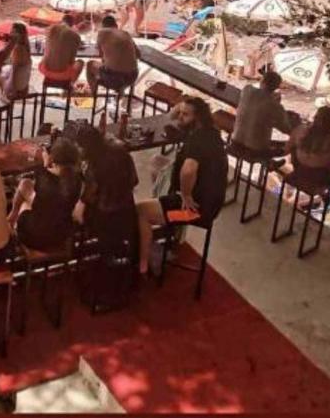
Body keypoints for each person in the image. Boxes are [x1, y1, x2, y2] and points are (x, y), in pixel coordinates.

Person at [136, 96, 228, 274]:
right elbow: (170, 118)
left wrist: (185, 195)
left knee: (140, 211)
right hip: (210, 202)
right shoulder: (210, 132)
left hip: (195, 211)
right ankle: (170, 232)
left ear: (197, 118)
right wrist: (181, 108)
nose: (180, 117)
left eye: (185, 115)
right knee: (157, 162)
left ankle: (143, 264)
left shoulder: (198, 140)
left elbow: (188, 170)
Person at [74, 126, 139, 260]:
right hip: (127, 211)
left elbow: (89, 196)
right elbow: (135, 181)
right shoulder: (121, 152)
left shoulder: (94, 167)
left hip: (104, 218)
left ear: (86, 148)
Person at [8, 138, 82, 251]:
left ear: (53, 158)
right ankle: (13, 219)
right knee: (27, 188)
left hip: (35, 237)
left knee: (24, 202)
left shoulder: (43, 175)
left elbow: (45, 189)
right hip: (60, 236)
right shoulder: (77, 180)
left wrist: (46, 162)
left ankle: (12, 220)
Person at [283, 106, 330, 211]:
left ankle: (322, 193)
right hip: (317, 181)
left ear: (315, 117)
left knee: (298, 152)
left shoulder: (299, 131)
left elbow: (287, 149)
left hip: (299, 173)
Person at [231, 70, 294, 155]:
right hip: (255, 150)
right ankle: (270, 164)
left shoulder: (247, 90)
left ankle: (270, 163)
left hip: (235, 142)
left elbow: (258, 96)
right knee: (291, 143)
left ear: (262, 81)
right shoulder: (275, 106)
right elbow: (286, 129)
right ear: (276, 87)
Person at [85, 14, 139, 100]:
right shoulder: (125, 33)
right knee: (115, 66)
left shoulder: (102, 32)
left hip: (114, 78)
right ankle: (121, 88)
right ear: (116, 25)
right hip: (132, 77)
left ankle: (93, 93)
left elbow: (101, 54)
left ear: (103, 25)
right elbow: (138, 54)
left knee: (90, 65)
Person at [38, 14, 84, 86]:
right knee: (81, 62)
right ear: (72, 24)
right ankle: (70, 85)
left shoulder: (50, 29)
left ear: (62, 20)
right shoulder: (75, 35)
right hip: (63, 74)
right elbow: (71, 60)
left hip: (45, 69)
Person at [0, 22, 32, 102]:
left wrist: (11, 90)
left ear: (19, 35)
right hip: (23, 84)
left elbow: (15, 71)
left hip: (16, 85)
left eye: (13, 32)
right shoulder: (26, 46)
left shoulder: (17, 50)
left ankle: (2, 95)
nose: (10, 34)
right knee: (5, 69)